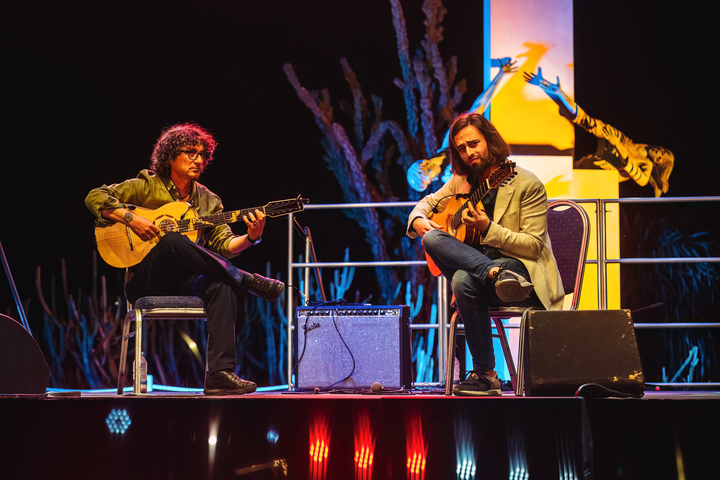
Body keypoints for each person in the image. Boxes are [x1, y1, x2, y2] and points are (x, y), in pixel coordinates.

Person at [85, 123, 284, 395]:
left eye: (203, 155)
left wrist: (250, 237)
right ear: (170, 156)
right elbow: (95, 196)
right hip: (147, 282)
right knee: (172, 241)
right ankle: (245, 279)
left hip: (187, 282)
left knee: (223, 284)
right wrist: (132, 219)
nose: (199, 160)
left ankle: (219, 375)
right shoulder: (146, 185)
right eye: (191, 153)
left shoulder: (209, 201)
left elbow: (225, 246)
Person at [407, 112, 563, 396]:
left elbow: (534, 246)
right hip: (491, 278)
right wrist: (417, 219)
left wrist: (488, 228)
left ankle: (485, 374)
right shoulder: (460, 182)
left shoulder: (527, 184)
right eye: (461, 149)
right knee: (431, 236)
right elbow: (427, 202)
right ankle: (490, 272)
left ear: (489, 141)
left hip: (518, 276)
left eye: (473, 144)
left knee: (462, 281)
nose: (468, 153)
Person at [524, 68, 674, 197]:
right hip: (582, 167)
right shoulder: (619, 137)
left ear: (658, 164)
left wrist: (620, 149)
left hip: (596, 184)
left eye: (661, 157)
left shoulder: (644, 164)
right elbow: (585, 120)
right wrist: (557, 92)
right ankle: (554, 91)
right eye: (662, 150)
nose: (658, 152)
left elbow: (642, 180)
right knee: (588, 123)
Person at [407, 57, 518, 192]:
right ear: (430, 180)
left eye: (423, 162)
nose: (427, 162)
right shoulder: (451, 176)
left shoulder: (449, 143)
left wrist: (501, 74)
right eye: (427, 169)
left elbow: (478, 106)